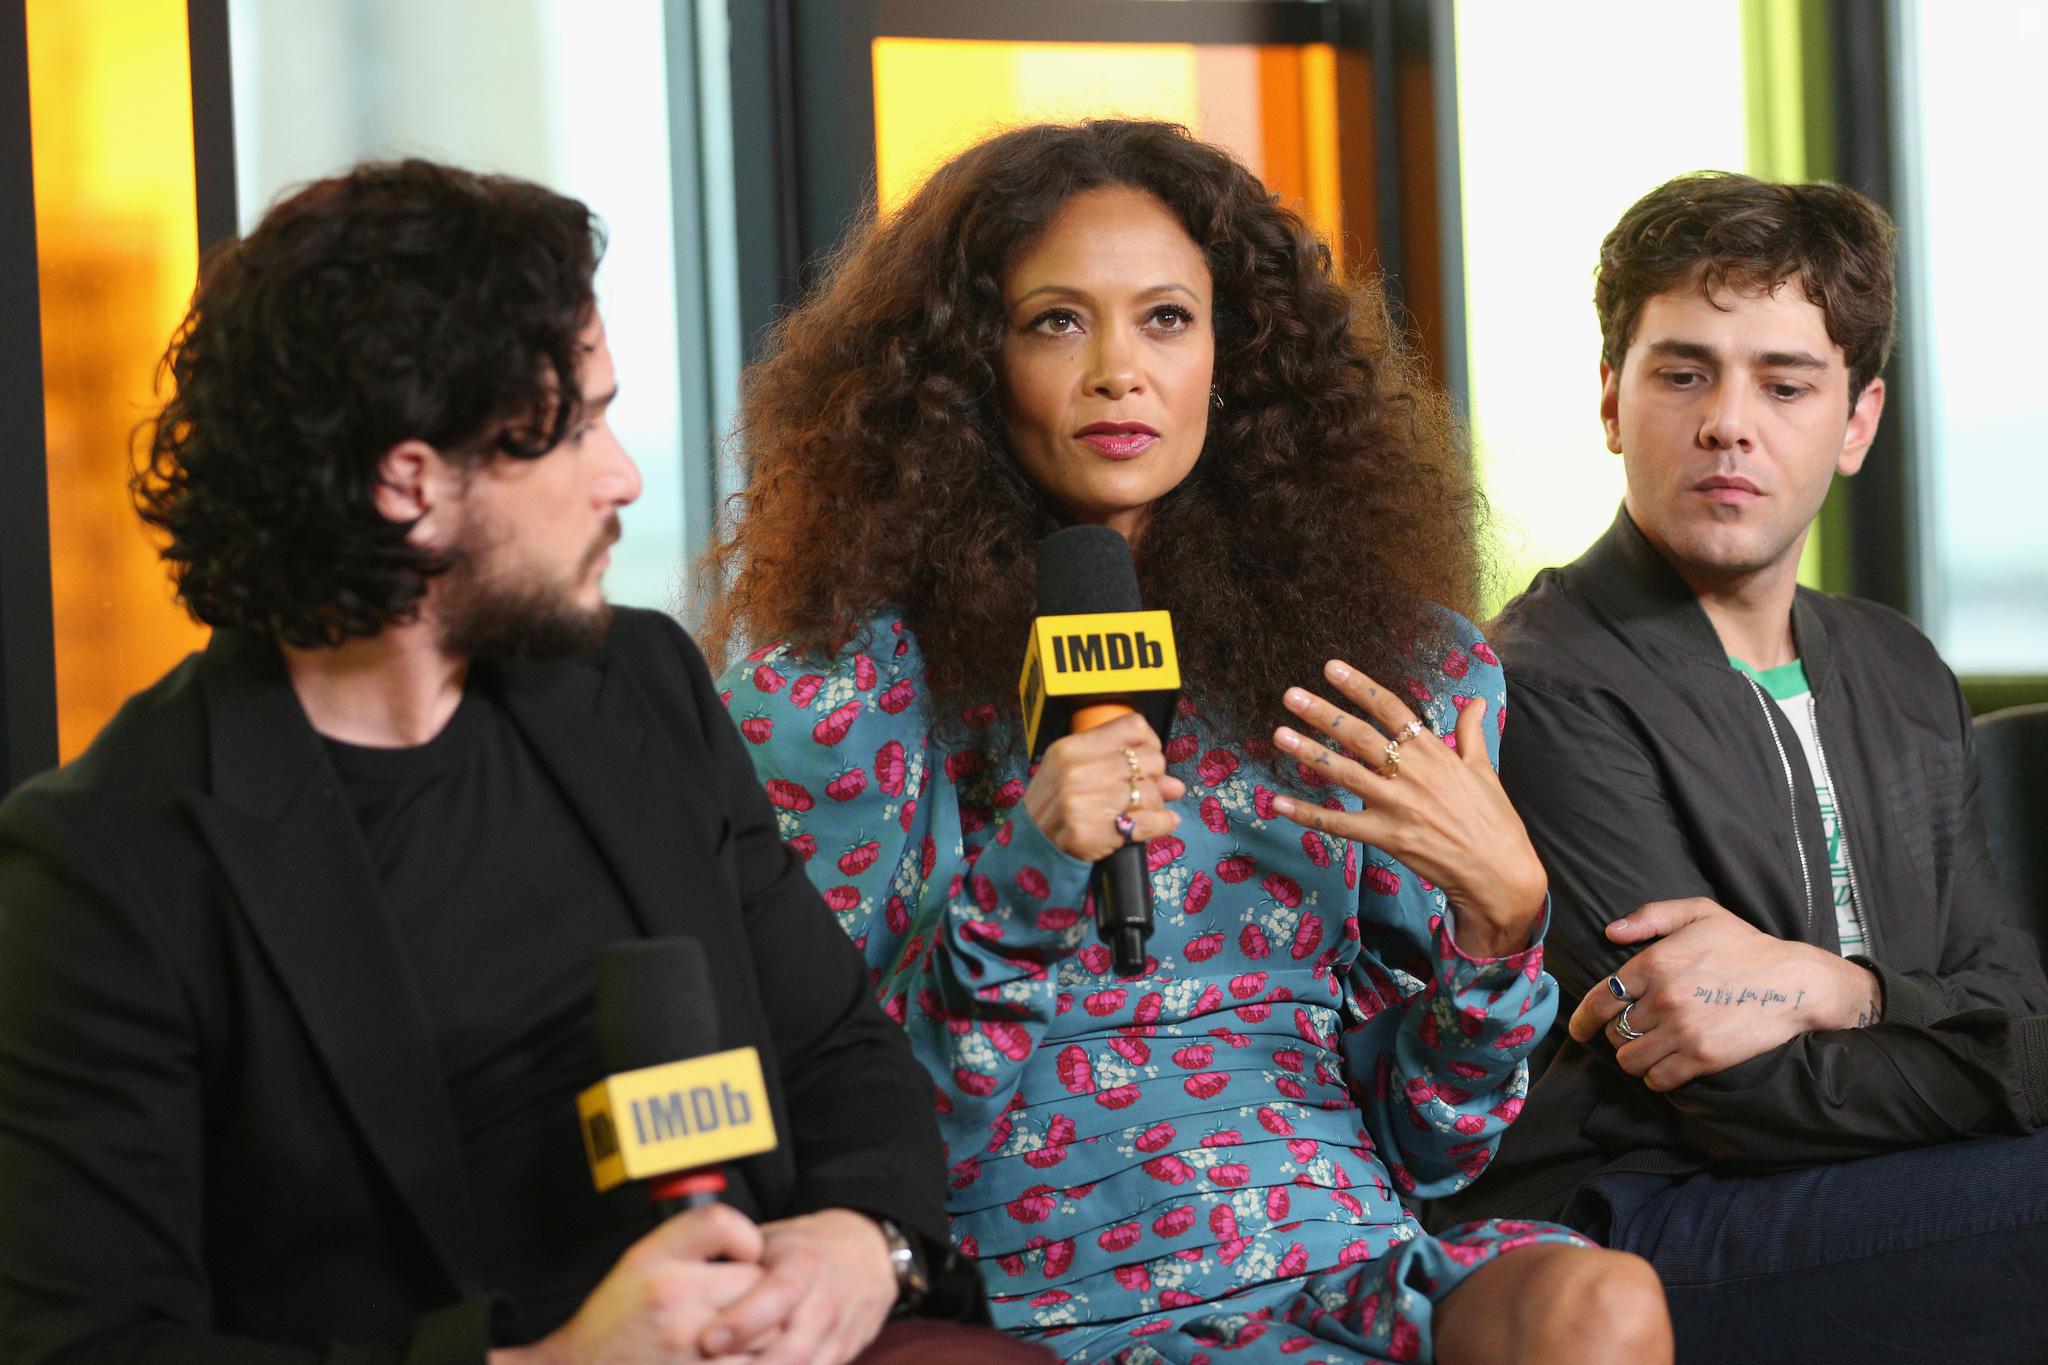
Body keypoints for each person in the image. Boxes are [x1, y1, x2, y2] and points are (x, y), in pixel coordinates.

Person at [0, 159, 1050, 1365]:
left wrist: (863, 1242)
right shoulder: (107, 863)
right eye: (576, 429)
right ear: (411, 486)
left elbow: (834, 1046)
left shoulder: (638, 685)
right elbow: (92, 1343)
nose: (626, 478)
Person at [703, 120, 1670, 1364]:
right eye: (1056, 321)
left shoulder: (1390, 672)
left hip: (1340, 1265)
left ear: (1234, 358)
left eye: (1165, 319)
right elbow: (862, 1137)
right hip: (1037, 1309)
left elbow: (1438, 1147)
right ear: (964, 366)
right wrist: (1029, 873)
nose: (1119, 371)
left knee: (1603, 1306)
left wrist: (1498, 931)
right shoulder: (838, 692)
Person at [1433, 171, 2048, 1357]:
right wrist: (1985, 1053)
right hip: (1640, 1217)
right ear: (1610, 402)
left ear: (1855, 421)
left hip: (1912, 1183)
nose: (1727, 420)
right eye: (1681, 373)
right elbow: (1733, 1096)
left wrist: (1842, 993)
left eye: (1782, 382)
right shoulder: (1544, 686)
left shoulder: (1893, 665)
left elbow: (2010, 992)